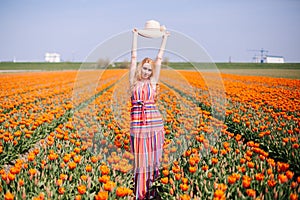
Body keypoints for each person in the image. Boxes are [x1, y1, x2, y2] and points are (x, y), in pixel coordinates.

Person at [129, 28, 169, 199]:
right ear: (140, 69)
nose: (146, 72)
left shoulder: (153, 83)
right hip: (138, 124)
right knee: (140, 160)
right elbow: (133, 58)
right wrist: (135, 36)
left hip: (154, 123)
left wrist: (164, 39)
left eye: (149, 70)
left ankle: (154, 192)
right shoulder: (133, 82)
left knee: (153, 159)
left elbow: (159, 59)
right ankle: (140, 193)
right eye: (144, 69)